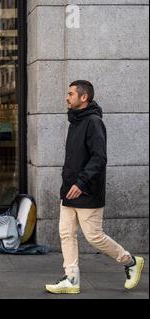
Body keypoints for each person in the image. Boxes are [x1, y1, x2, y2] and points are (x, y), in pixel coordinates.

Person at [45, 80, 145, 294]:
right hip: (69, 190)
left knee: (94, 237)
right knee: (66, 233)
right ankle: (71, 278)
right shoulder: (75, 121)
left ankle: (130, 262)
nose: (66, 97)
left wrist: (81, 183)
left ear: (84, 97)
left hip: (86, 190)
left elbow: (99, 159)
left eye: (71, 94)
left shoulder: (93, 122)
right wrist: (67, 185)